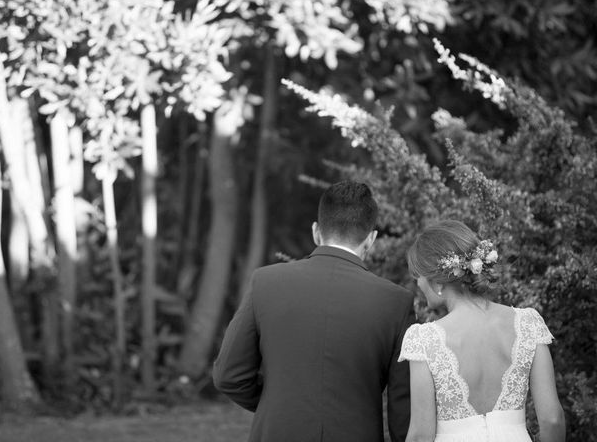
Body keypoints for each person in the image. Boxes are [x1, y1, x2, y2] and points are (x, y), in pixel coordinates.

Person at [212, 181, 416, 442]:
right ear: (371, 239)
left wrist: (279, 404)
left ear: (316, 231)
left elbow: (228, 376)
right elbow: (403, 408)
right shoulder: (396, 301)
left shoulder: (266, 282)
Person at [400, 220, 565, 442]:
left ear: (438, 283)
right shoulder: (528, 323)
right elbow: (552, 419)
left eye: (417, 277)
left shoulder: (423, 340)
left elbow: (421, 436)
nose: (418, 284)